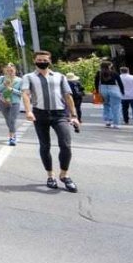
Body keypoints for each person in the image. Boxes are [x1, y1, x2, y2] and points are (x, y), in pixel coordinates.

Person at [22, 51, 80, 192]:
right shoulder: (28, 77)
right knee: (45, 145)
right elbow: (25, 94)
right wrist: (28, 111)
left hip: (59, 114)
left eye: (45, 59)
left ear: (50, 61)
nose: (42, 62)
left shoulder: (60, 77)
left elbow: (67, 96)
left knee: (65, 144)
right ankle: (50, 175)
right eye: (39, 60)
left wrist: (74, 115)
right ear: (34, 61)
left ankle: (64, 174)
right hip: (40, 114)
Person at [0, 63, 22, 146]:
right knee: (7, 119)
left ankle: (12, 138)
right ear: (5, 71)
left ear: (15, 70)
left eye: (11, 70)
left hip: (15, 102)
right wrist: (4, 84)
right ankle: (13, 133)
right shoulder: (2, 78)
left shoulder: (20, 80)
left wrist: (12, 89)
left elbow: (22, 93)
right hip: (3, 101)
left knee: (12, 120)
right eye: (8, 70)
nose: (10, 72)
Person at [94, 61, 123, 129]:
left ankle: (108, 121)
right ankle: (116, 124)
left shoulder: (99, 73)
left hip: (103, 89)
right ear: (109, 66)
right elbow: (120, 82)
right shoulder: (114, 72)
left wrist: (98, 91)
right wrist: (122, 91)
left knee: (106, 105)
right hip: (113, 89)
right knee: (116, 107)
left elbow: (96, 82)